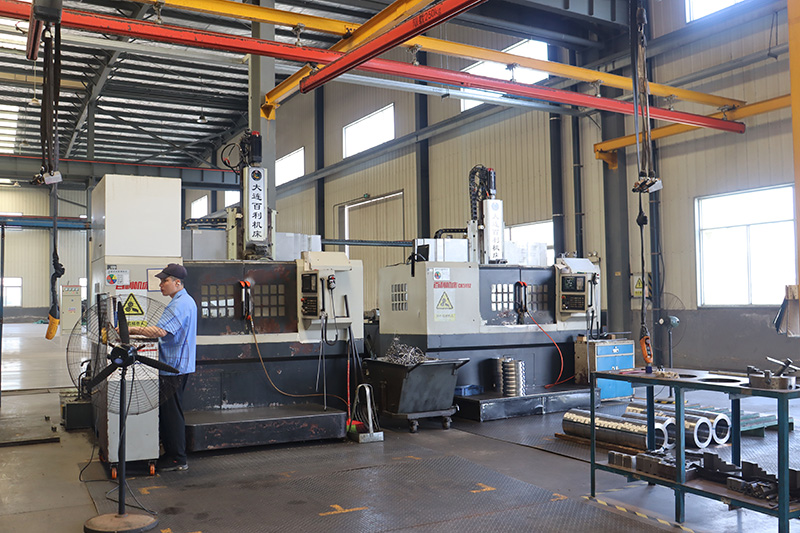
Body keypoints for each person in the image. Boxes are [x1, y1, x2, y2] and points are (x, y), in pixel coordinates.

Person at [128, 263, 197, 472]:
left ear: (177, 283)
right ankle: (171, 452)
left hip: (173, 366)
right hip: (177, 365)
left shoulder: (179, 304)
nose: (161, 285)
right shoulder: (184, 301)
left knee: (171, 413)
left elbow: (160, 331)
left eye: (165, 281)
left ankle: (177, 458)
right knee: (169, 411)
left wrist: (130, 330)